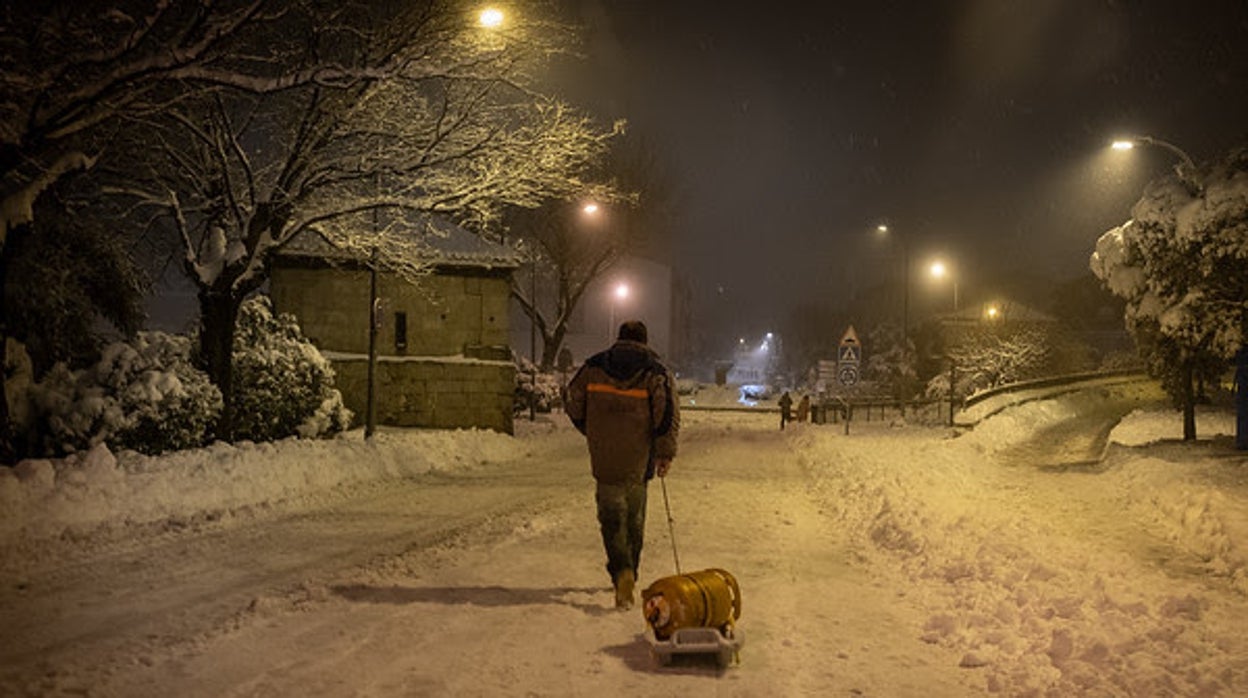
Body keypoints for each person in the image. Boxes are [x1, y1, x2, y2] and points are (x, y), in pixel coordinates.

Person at [565, 320, 680, 610]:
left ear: (619, 338)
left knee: (611, 518)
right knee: (634, 518)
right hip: (639, 458)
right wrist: (664, 452)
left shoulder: (593, 366)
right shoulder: (655, 370)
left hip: (604, 457)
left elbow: (572, 401)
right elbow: (666, 414)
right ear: (644, 340)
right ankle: (632, 572)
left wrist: (592, 430)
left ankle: (621, 572)